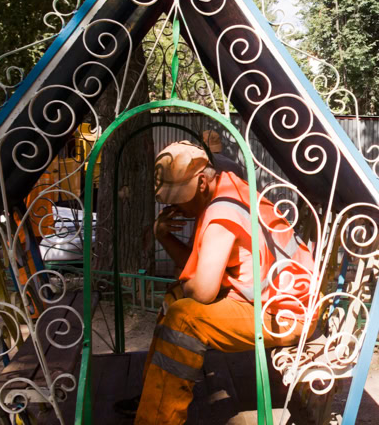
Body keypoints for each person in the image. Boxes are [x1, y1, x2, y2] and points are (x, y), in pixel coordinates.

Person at [129, 140, 316, 425]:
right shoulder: (228, 190)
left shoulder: (221, 213)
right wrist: (164, 236)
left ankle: (155, 420)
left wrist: (187, 285)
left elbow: (203, 291)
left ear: (202, 183)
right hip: (276, 304)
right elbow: (198, 267)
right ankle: (152, 397)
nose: (174, 205)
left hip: (285, 316)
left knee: (183, 318)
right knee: (175, 298)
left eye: (178, 197)